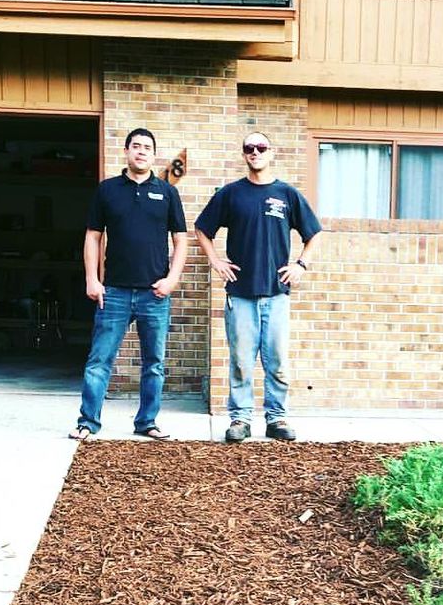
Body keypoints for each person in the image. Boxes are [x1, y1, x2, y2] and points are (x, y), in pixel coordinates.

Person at [195, 132, 321, 443]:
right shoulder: (231, 194)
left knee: (277, 362)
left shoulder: (287, 195)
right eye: (249, 148)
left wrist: (300, 265)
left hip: (277, 294)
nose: (255, 152)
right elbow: (202, 228)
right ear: (244, 154)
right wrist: (216, 261)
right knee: (241, 362)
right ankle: (240, 419)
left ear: (271, 153)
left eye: (261, 147)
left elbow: (314, 234)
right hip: (240, 295)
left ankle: (277, 418)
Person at [70, 127, 188, 441]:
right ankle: (88, 422)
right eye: (136, 146)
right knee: (99, 361)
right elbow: (93, 236)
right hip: (114, 293)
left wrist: (172, 279)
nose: (141, 151)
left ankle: (147, 422)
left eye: (147, 147)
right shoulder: (107, 190)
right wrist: (92, 279)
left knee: (154, 364)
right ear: (126, 151)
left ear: (154, 154)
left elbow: (181, 239)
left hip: (155, 294)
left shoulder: (167, 193)